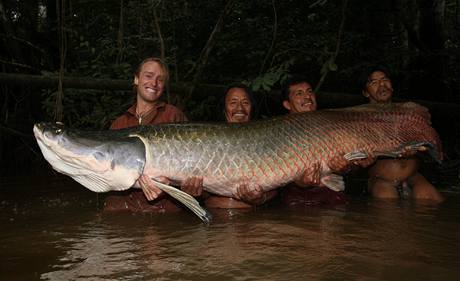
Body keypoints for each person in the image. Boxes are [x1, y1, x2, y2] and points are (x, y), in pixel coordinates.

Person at [103, 57, 203, 212]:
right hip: (123, 211)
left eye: (160, 80)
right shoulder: (119, 123)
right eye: (148, 76)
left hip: (165, 211)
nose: (154, 84)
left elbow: (191, 163)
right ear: (136, 79)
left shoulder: (173, 116)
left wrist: (183, 185)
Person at [360, 65, 443, 202]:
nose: (381, 85)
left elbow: (430, 150)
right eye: (373, 82)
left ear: (391, 85)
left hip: (413, 176)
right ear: (366, 93)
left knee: (433, 200)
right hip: (381, 180)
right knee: (387, 199)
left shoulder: (408, 113)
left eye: (385, 79)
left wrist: (417, 151)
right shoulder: (358, 118)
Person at [280, 76, 350, 206]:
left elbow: (353, 162)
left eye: (309, 92)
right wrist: (299, 182)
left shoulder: (331, 124)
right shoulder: (279, 131)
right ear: (287, 104)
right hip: (293, 193)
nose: (307, 97)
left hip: (329, 188)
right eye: (299, 94)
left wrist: (345, 167)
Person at [204, 83, 278, 208]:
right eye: (233, 103)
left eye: (245, 103)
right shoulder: (208, 141)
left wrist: (262, 198)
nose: (240, 109)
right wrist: (195, 191)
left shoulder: (265, 140)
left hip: (254, 218)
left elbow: (280, 184)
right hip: (215, 219)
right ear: (224, 109)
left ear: (251, 108)